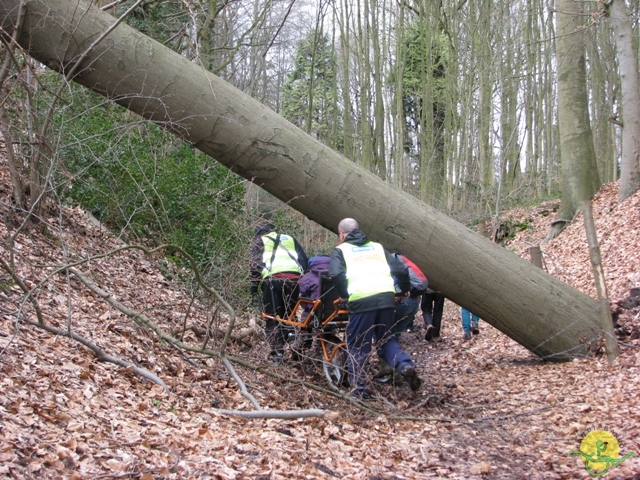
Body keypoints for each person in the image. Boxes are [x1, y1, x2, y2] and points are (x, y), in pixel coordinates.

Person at [329, 218, 421, 398]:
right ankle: (405, 365)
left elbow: (336, 273)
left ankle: (360, 390)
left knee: (358, 345)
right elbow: (401, 269)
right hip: (386, 299)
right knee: (385, 340)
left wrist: (344, 294)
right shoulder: (377, 247)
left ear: (341, 234)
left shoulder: (341, 250)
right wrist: (404, 290)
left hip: (362, 301)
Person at [250, 223, 308, 363]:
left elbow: (255, 265)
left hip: (273, 280)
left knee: (272, 317)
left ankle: (277, 354)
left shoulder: (260, 241)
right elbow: (304, 261)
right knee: (289, 314)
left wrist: (254, 287)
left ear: (258, 234)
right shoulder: (289, 239)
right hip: (294, 280)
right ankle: (293, 338)